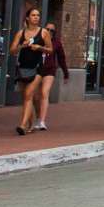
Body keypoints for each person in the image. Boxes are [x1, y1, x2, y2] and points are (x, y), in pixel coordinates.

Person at [11, 8, 50, 136]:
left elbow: (50, 49)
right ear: (27, 18)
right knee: (27, 98)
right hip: (23, 67)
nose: (36, 17)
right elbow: (12, 50)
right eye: (33, 15)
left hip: (37, 67)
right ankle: (30, 123)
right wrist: (23, 45)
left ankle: (22, 125)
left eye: (38, 15)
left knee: (28, 94)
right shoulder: (21, 33)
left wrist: (40, 47)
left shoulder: (43, 32)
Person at [37, 8, 68, 129]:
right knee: (35, 95)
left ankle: (42, 121)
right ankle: (37, 117)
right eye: (47, 29)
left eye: (52, 30)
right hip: (37, 69)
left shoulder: (56, 43)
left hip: (49, 70)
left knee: (44, 92)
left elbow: (61, 58)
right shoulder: (38, 39)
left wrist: (66, 73)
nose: (49, 32)